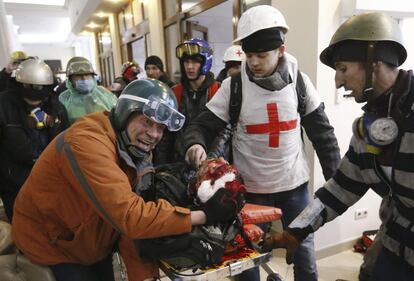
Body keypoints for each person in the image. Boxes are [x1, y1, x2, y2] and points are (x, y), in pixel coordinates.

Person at [11, 78, 241, 281]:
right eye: (147, 122)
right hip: (51, 243)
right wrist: (203, 215)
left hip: (91, 236)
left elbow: (131, 230)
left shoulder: (133, 145)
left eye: (161, 128)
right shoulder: (86, 143)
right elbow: (129, 216)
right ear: (125, 112)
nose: (154, 134)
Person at [183, 5, 341, 281]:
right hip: (250, 192)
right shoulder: (234, 87)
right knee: (247, 261)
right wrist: (194, 144)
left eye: (262, 55)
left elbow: (324, 136)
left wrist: (337, 187)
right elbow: (199, 125)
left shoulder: (300, 84)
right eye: (249, 55)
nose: (253, 62)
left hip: (294, 187)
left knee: (304, 258)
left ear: (281, 50)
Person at [264, 12, 414, 281]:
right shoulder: (365, 129)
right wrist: (296, 231)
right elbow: (341, 187)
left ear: (374, 61)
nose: (338, 81)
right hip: (395, 247)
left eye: (343, 69)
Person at [0, 58, 69, 221]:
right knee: (22, 225)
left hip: (50, 179)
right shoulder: (4, 105)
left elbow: (66, 139)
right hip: (13, 180)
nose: (33, 96)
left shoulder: (56, 107)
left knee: (51, 224)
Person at [153, 38, 221, 165]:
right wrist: (160, 168)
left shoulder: (219, 91)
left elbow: (224, 135)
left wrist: (213, 163)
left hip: (212, 164)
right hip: (179, 165)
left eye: (195, 62)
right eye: (186, 61)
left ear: (206, 63)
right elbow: (165, 137)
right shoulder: (174, 93)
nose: (189, 66)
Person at [59, 57, 117, 124]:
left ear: (93, 76)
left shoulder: (104, 93)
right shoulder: (64, 98)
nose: (84, 79)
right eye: (78, 75)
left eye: (87, 74)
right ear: (70, 79)